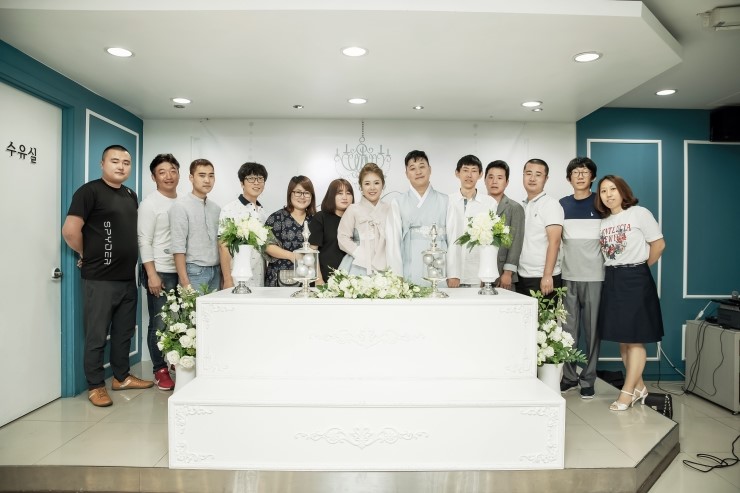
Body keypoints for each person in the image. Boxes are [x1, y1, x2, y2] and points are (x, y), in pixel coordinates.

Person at [62, 145, 153, 407]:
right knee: (97, 335)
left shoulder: (130, 194)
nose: (121, 166)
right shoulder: (89, 191)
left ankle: (121, 377)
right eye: (115, 161)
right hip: (99, 279)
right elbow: (70, 231)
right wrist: (86, 253)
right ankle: (95, 386)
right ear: (102, 164)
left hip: (126, 278)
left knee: (124, 333)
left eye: (126, 162)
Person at [595, 175, 665, 411]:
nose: (608, 195)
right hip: (612, 278)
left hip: (635, 278)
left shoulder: (639, 213)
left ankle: (626, 392)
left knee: (635, 339)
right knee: (624, 339)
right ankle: (639, 388)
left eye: (612, 189)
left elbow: (659, 245)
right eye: (603, 191)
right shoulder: (604, 222)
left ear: (623, 191)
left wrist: (639, 268)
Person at [558, 157, 604, 399]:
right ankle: (569, 377)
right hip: (568, 276)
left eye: (585, 172)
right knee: (567, 331)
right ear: (569, 178)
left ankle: (588, 379)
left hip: (595, 277)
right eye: (575, 172)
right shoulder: (561, 205)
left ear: (592, 177)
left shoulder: (601, 203)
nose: (580, 176)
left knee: (593, 331)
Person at [137, 153, 180, 391]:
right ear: (154, 177)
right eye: (162, 172)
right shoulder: (150, 204)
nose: (168, 176)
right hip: (160, 270)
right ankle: (159, 369)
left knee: (178, 320)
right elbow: (144, 240)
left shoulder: (182, 201)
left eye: (173, 170)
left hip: (181, 270)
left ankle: (174, 360)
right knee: (159, 322)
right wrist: (152, 274)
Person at [386, 150, 462, 286]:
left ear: (430, 169)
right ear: (406, 174)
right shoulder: (398, 202)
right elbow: (393, 242)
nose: (418, 172)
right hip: (409, 266)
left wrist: (454, 273)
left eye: (422, 166)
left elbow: (454, 239)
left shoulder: (446, 201)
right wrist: (395, 275)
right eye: (412, 168)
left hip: (439, 267)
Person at [169, 159, 221, 293]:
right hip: (194, 272)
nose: (207, 180)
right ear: (191, 178)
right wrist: (185, 282)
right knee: (193, 308)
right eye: (202, 175)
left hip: (216, 271)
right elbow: (178, 247)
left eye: (211, 176)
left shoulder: (216, 208)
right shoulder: (180, 206)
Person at [516, 158, 564, 298]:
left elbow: (554, 242)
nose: (532, 178)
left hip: (543, 277)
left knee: (545, 314)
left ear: (546, 179)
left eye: (538, 175)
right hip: (522, 275)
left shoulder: (550, 205)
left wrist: (547, 275)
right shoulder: (522, 205)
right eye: (528, 173)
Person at [219, 162, 269, 289]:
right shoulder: (230, 209)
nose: (256, 183)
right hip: (237, 278)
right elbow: (223, 246)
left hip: (259, 278)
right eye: (251, 178)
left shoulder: (263, 213)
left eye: (260, 179)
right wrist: (227, 280)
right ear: (242, 183)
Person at [451, 155, 497, 287]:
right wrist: (450, 273)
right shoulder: (448, 201)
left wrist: (486, 274)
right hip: (452, 274)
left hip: (477, 273)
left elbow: (491, 241)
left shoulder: (490, 203)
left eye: (474, 171)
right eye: (465, 170)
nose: (469, 175)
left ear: (480, 174)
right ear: (457, 173)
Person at [337, 163, 391, 275]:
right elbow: (342, 237)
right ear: (361, 187)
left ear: (383, 185)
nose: (372, 188)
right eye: (367, 183)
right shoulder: (353, 209)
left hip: (384, 263)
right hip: (359, 263)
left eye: (376, 183)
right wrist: (359, 253)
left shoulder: (390, 209)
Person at [265, 175, 316, 287]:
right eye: (298, 192)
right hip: (280, 279)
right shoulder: (277, 217)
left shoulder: (316, 219)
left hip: (309, 277)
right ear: (290, 194)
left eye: (307, 193)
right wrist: (292, 256)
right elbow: (267, 245)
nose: (302, 196)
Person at [484, 160, 525, 291]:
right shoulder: (478, 206)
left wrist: (508, 272)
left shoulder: (515, 208)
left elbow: (516, 242)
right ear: (485, 180)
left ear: (506, 182)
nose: (494, 181)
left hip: (502, 272)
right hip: (479, 272)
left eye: (499, 178)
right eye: (491, 177)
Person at [310, 178, 354, 283]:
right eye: (340, 193)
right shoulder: (321, 217)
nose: (345, 197)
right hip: (326, 280)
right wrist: (318, 280)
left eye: (348, 193)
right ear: (331, 196)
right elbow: (312, 252)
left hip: (353, 280)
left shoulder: (356, 219)